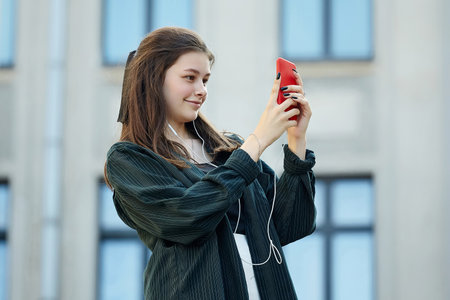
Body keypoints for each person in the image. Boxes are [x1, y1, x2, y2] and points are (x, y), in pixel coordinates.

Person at [104, 26, 316, 300]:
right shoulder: (130, 158)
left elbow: (291, 226)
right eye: (190, 78)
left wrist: (297, 141)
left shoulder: (230, 150)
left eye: (205, 80)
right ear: (154, 79)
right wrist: (259, 140)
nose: (201, 90)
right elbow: (187, 217)